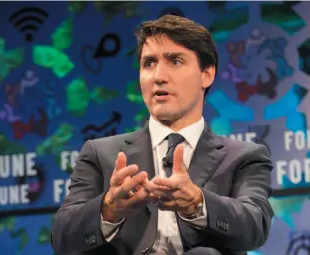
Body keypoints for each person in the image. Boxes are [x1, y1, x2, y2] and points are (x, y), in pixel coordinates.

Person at [51, 15, 274, 255]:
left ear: (206, 74)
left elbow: (255, 226)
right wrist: (109, 208)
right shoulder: (100, 154)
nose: (158, 76)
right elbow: (62, 238)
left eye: (175, 61)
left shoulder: (244, 157)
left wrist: (198, 203)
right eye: (149, 63)